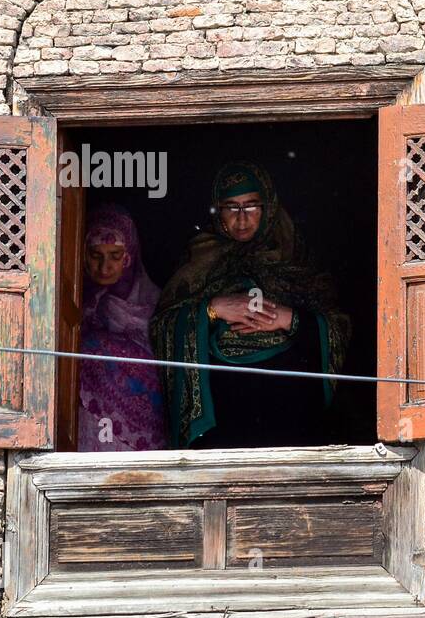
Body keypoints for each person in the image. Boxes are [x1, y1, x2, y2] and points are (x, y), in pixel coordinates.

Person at [150, 161, 352, 449]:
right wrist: (212, 309)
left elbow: (338, 327)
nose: (241, 218)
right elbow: (162, 327)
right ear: (217, 210)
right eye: (231, 207)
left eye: (251, 206)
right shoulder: (198, 258)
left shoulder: (294, 255)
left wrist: (290, 318)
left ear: (268, 206)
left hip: (292, 414)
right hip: (226, 416)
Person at [77, 204, 168, 451]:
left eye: (115, 256)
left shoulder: (155, 304)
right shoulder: (71, 303)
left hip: (144, 431)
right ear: (83, 255)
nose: (105, 267)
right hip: (89, 423)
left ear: (129, 256)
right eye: (96, 255)